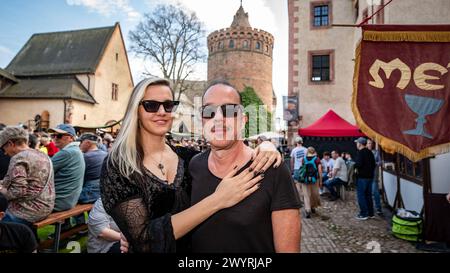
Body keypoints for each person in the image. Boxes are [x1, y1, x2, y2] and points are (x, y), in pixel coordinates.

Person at [100, 77, 281, 253]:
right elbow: (144, 241)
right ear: (136, 111)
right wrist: (217, 200)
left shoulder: (188, 159)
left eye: (168, 105)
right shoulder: (119, 166)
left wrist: (266, 146)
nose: (162, 111)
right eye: (151, 105)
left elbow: (225, 154)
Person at [189, 81, 301, 253]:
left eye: (229, 110)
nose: (218, 118)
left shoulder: (272, 169)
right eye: (209, 111)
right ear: (202, 121)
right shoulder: (193, 166)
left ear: (243, 121)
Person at [0, 126, 55, 226]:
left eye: (4, 147)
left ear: (10, 143)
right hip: (46, 207)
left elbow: (18, 192)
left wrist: (2, 190)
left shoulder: (19, 158)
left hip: (27, 211)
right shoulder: (42, 154)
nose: (4, 152)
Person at [48, 124, 85, 212]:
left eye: (59, 135)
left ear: (71, 138)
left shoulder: (67, 152)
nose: (56, 138)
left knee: (16, 211)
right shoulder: (75, 150)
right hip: (68, 200)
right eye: (54, 135)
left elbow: (43, 173)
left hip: (58, 202)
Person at [78, 133, 107, 204]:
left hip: (89, 194)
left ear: (87, 143)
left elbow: (78, 178)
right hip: (104, 192)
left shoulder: (85, 157)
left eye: (81, 142)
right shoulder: (106, 154)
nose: (79, 144)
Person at [354, 137, 376, 220]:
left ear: (359, 144)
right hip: (370, 177)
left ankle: (364, 214)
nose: (356, 144)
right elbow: (374, 164)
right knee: (368, 195)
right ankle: (370, 213)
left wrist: (355, 166)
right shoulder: (370, 152)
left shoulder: (360, 152)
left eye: (357, 143)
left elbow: (358, 164)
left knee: (361, 195)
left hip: (362, 177)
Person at [297, 147, 322, 219]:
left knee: (306, 195)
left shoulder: (303, 159)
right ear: (314, 152)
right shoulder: (317, 159)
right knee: (314, 194)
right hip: (314, 180)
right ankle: (312, 207)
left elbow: (302, 169)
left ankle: (307, 210)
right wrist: (321, 181)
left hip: (305, 180)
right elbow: (320, 171)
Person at [367, 139, 383, 216]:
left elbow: (380, 162)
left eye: (371, 143)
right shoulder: (365, 152)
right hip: (366, 176)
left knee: (375, 192)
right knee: (367, 192)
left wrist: (374, 163)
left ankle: (378, 209)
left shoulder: (376, 152)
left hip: (374, 175)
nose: (369, 144)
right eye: (368, 143)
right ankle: (369, 209)